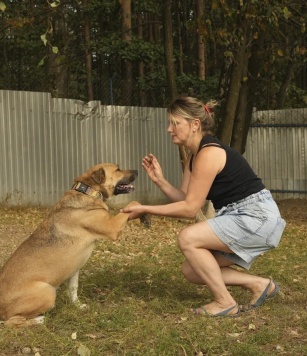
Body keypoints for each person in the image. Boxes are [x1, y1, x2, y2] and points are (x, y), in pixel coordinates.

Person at [121, 95, 286, 317]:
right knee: (192, 270)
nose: (169, 129)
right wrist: (159, 180)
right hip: (242, 217)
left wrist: (145, 208)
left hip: (256, 217)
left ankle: (224, 302)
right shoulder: (193, 157)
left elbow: (189, 210)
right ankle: (259, 285)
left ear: (195, 124)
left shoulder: (208, 153)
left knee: (188, 237)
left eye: (175, 123)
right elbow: (186, 198)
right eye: (170, 123)